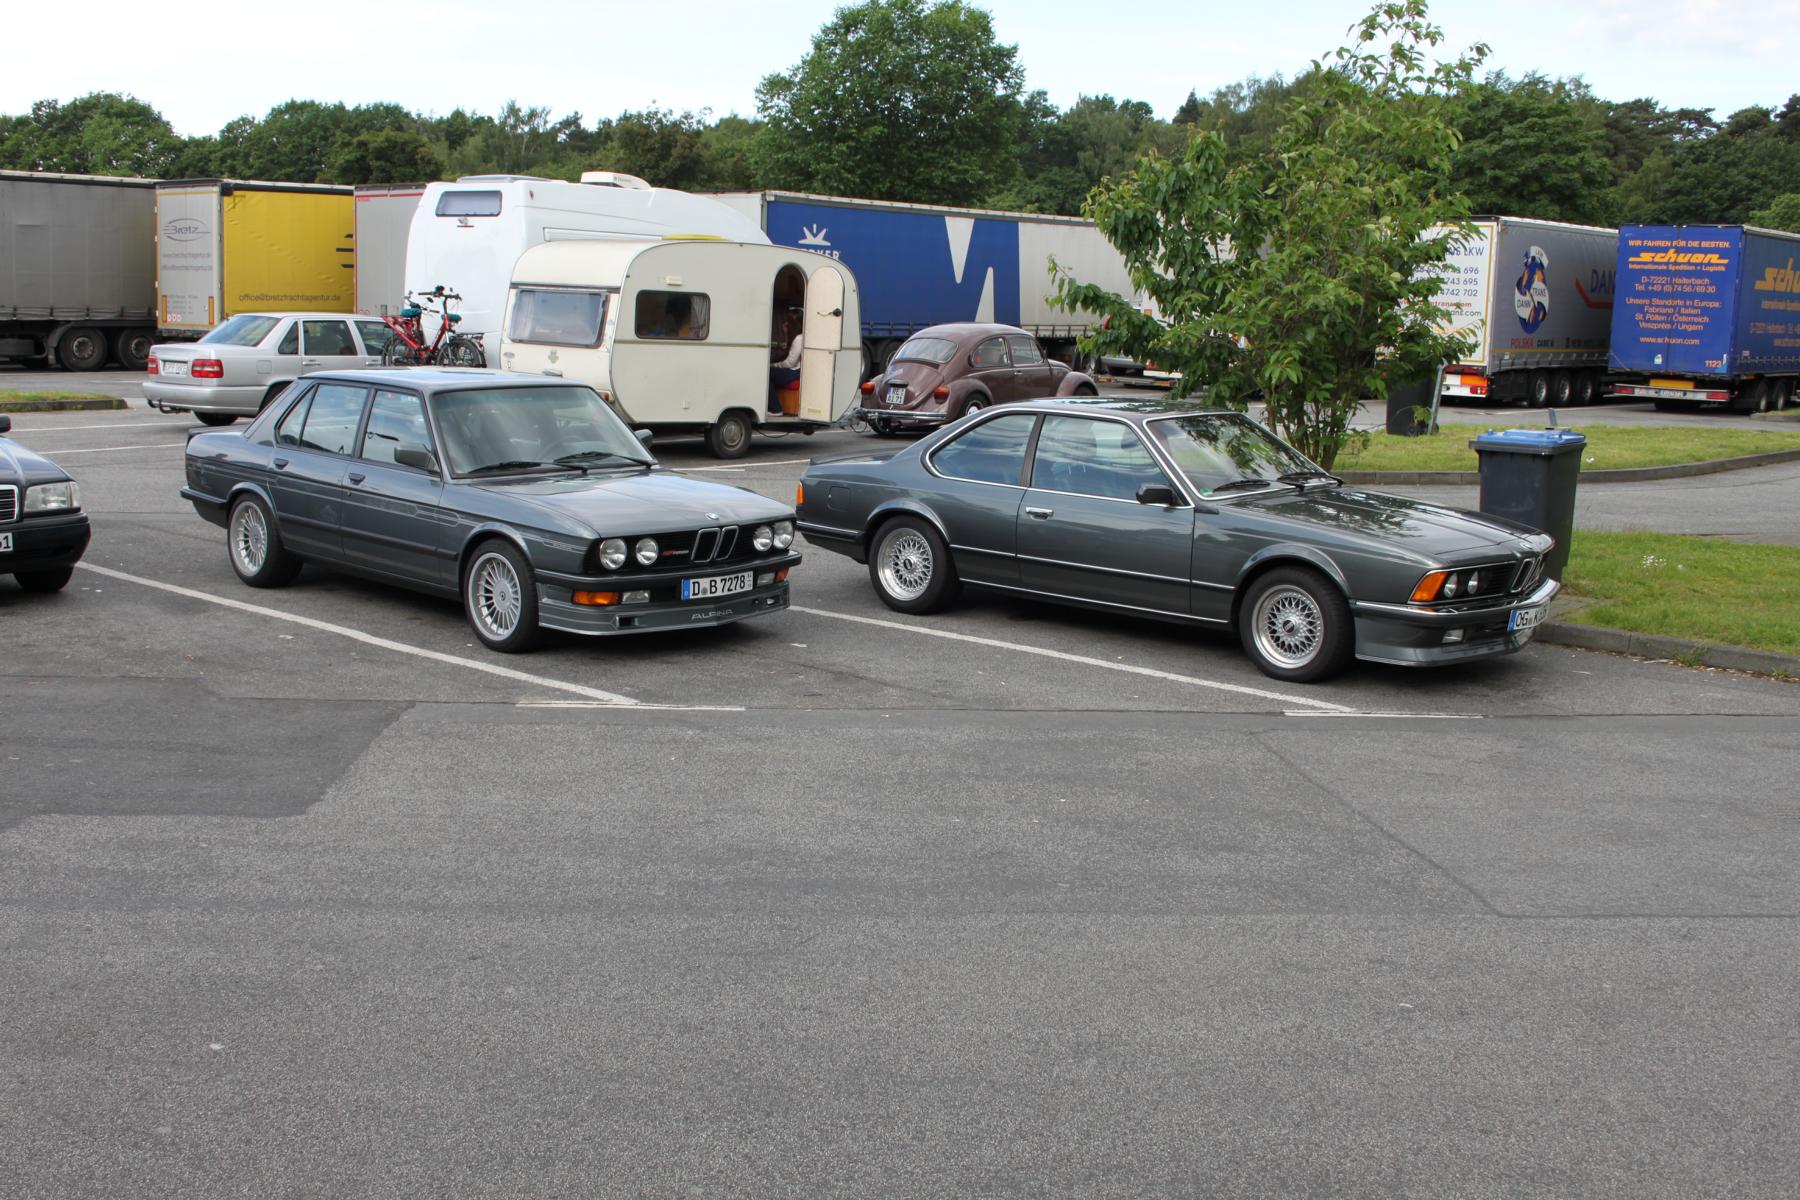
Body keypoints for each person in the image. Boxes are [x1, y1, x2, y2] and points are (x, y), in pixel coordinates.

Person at [769, 314, 802, 412]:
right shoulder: (799, 338)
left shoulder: (798, 339)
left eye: (785, 326)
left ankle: (775, 409)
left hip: (796, 373)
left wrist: (775, 365)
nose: (783, 329)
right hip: (796, 372)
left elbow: (790, 363)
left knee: (766, 374)